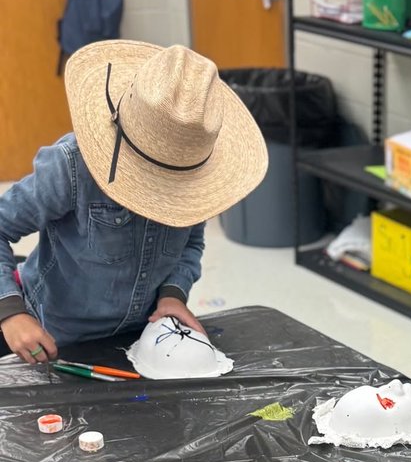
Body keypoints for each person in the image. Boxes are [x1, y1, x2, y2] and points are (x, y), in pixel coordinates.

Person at [0, 40, 268, 364]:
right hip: (56, 336)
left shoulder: (192, 178)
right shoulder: (70, 168)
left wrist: (173, 294)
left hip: (144, 338)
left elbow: (191, 243)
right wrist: (11, 311)